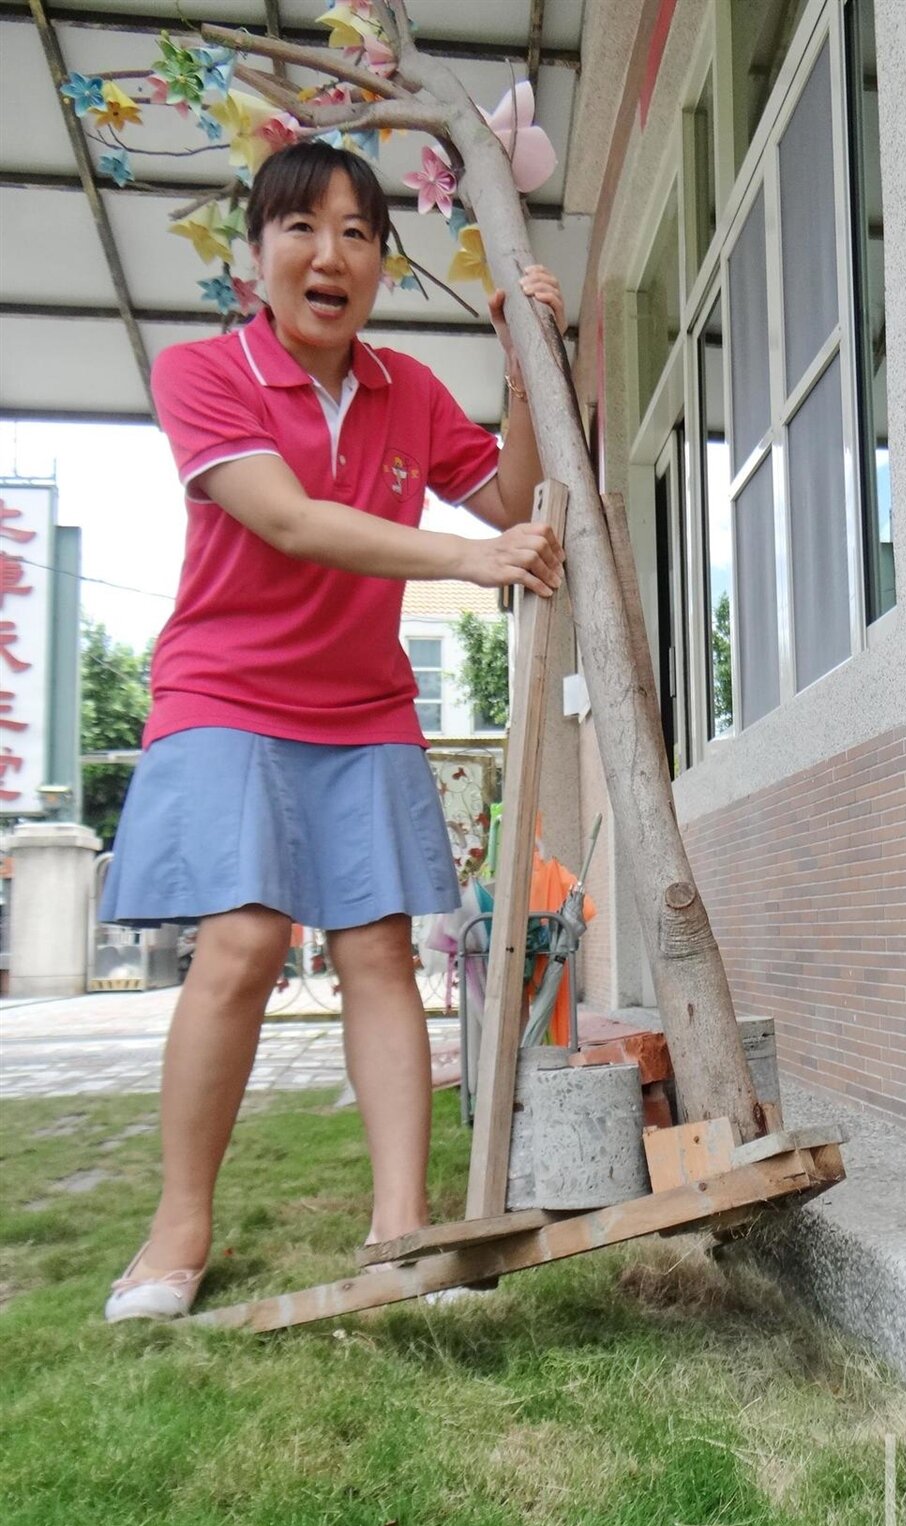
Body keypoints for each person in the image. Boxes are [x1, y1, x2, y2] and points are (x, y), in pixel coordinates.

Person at [101, 140, 565, 1322]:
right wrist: (469, 558)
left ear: (381, 266)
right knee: (245, 939)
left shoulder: (409, 389)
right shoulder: (203, 372)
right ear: (256, 255)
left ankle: (402, 1227)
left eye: (359, 233)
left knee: (378, 951)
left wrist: (524, 364)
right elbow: (292, 521)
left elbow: (512, 502)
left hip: (364, 707)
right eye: (302, 228)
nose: (331, 254)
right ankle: (178, 1228)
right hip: (226, 692)